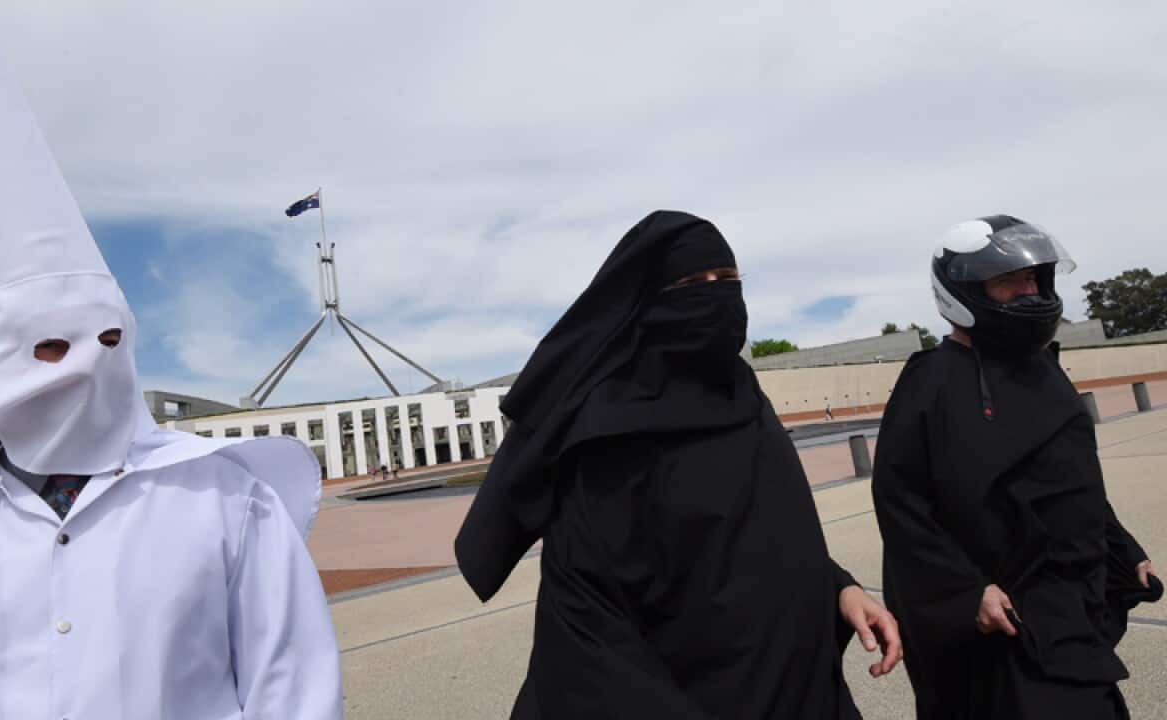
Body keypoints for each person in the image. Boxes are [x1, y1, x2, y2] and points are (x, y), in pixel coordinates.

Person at [0, 2, 342, 717]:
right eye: (49, 348)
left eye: (109, 341)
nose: (87, 370)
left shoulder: (227, 503)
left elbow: (292, 687)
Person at [455, 210, 901, 719]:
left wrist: (839, 588)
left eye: (728, 280)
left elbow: (760, 539)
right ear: (651, 301)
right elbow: (589, 622)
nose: (716, 295)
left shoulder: (742, 394)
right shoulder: (609, 435)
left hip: (803, 693)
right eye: (694, 283)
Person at [872, 215, 1161, 720]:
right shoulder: (929, 382)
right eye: (1007, 281)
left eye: (1032, 278)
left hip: (1070, 609)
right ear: (962, 291)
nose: (1028, 291)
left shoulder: (1043, 370)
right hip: (997, 621)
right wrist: (965, 591)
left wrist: (1123, 550)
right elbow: (901, 507)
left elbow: (1072, 484)